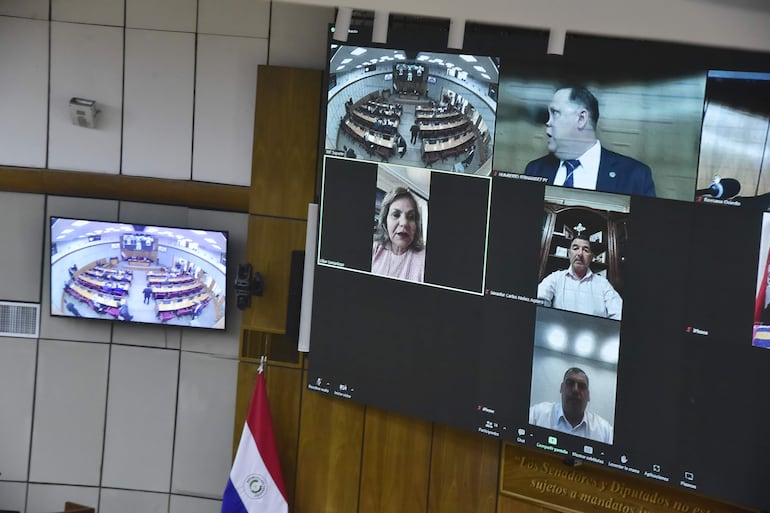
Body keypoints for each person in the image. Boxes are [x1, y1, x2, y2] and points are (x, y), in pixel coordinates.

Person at [524, 86, 655, 197]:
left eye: (555, 113)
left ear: (581, 118)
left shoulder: (635, 176)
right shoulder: (535, 170)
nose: (548, 122)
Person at [537, 235, 622, 320]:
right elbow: (539, 301)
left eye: (585, 250)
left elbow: (618, 314)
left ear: (591, 257)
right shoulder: (555, 278)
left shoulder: (603, 284)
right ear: (569, 253)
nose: (580, 254)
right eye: (575, 248)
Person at [529, 367, 613, 444]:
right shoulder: (537, 414)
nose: (575, 390)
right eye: (570, 383)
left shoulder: (605, 431)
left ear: (588, 396)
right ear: (561, 388)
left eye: (582, 386)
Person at [371, 187, 426, 282]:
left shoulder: (424, 258)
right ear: (385, 221)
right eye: (396, 215)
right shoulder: (375, 249)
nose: (404, 223)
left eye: (411, 217)